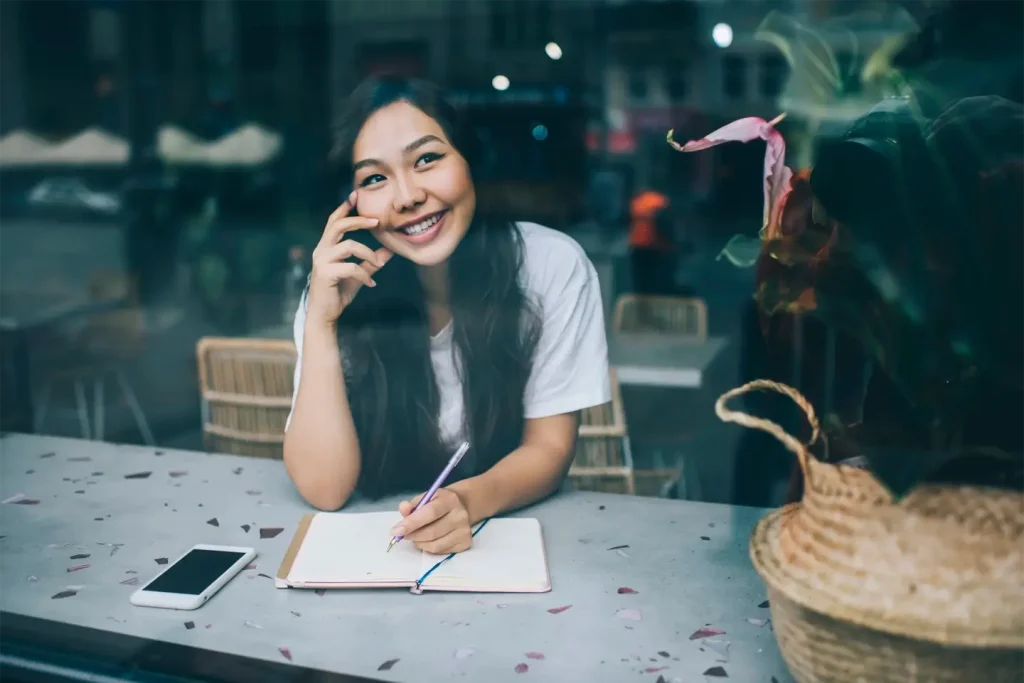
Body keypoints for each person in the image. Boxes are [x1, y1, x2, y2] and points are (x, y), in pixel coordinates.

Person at [283, 76, 611, 555]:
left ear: (470, 161)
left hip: (501, 548)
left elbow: (550, 449)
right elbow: (324, 489)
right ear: (350, 206)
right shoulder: (338, 288)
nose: (408, 196)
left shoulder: (551, 266)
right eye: (374, 178)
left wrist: (465, 501)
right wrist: (320, 323)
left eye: (427, 160)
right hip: (376, 558)